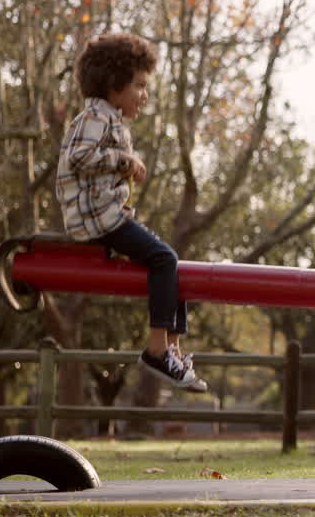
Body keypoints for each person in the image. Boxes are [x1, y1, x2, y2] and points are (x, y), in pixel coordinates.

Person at [56, 33, 208, 393]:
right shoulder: (96, 116)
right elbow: (76, 157)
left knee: (171, 265)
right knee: (164, 259)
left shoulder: (109, 118)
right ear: (114, 83)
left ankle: (171, 349)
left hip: (106, 215)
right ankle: (158, 350)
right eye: (139, 85)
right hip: (97, 219)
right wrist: (124, 160)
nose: (145, 94)